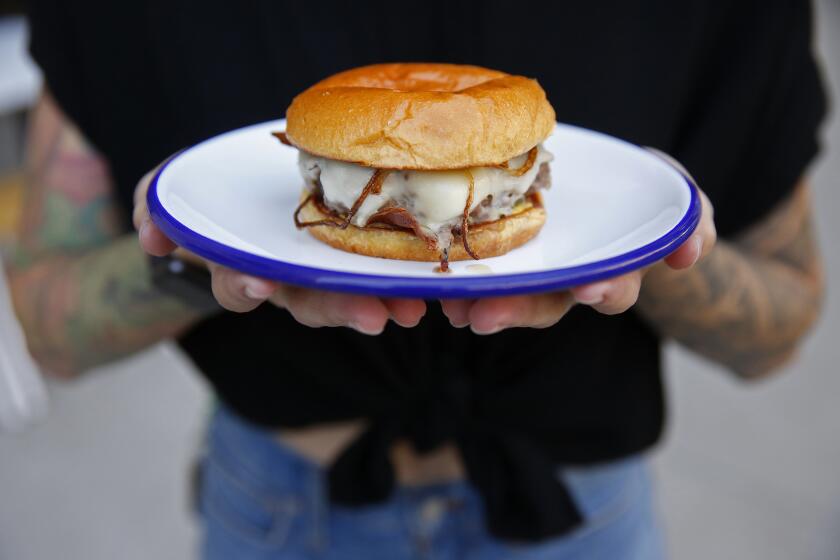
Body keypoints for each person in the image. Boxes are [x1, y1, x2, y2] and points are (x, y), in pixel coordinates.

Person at [9, 1, 826, 558]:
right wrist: (197, 250)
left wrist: (645, 240)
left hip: (584, 513)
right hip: (278, 507)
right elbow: (46, 324)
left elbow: (781, 327)